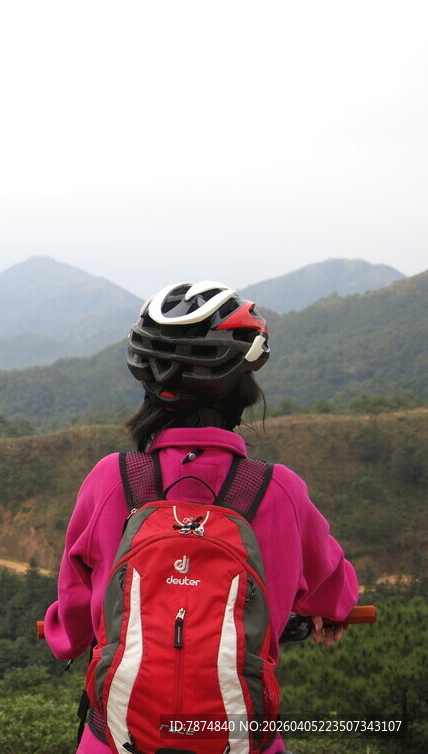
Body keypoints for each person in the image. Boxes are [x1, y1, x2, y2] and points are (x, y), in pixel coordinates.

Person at [42, 281, 359, 754]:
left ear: (148, 383)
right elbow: (335, 593)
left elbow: (74, 613)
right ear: (245, 387)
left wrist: (65, 635)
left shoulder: (112, 481)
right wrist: (325, 614)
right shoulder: (280, 491)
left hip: (116, 741)